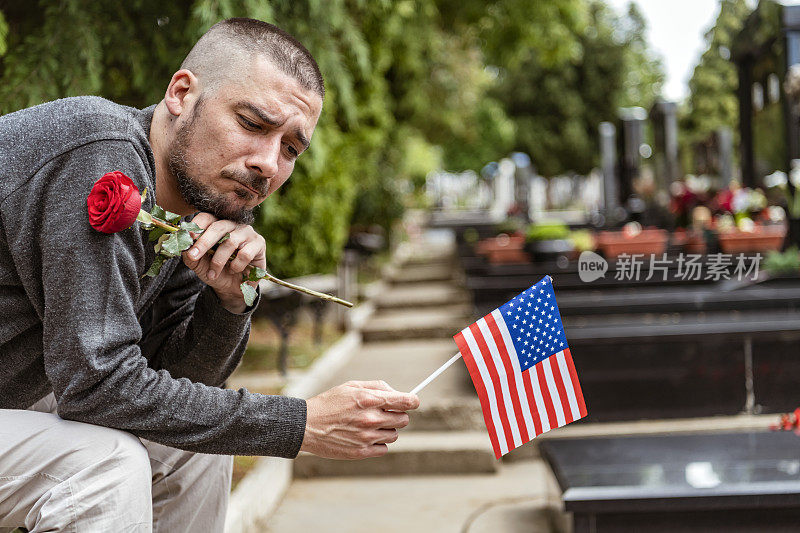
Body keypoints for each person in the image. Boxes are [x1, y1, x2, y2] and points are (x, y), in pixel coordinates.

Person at [0, 17, 419, 532]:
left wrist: (228, 301)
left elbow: (176, 385)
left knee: (198, 450)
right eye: (253, 124)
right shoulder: (99, 157)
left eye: (289, 148)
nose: (268, 163)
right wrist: (302, 423)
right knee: (104, 465)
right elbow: (98, 385)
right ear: (181, 93)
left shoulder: (198, 207)